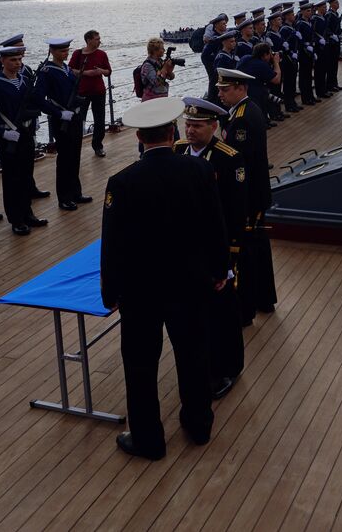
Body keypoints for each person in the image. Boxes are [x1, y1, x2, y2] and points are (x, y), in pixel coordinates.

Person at [102, 98, 227, 460]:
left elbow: (113, 246)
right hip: (190, 284)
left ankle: (148, 440)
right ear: (173, 132)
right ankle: (199, 424)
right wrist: (219, 271)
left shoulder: (121, 182)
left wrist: (110, 292)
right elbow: (214, 226)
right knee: (193, 354)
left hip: (141, 292)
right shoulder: (199, 171)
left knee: (141, 365)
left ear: (140, 137)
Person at [174, 98, 245, 399]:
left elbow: (235, 210)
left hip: (216, 251)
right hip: (187, 252)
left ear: (214, 127)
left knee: (221, 315)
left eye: (197, 126)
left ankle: (226, 367)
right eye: (187, 124)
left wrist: (229, 256)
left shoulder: (228, 159)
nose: (190, 131)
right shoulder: (177, 152)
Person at [216, 68, 277, 318]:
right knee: (259, 250)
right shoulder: (247, 109)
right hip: (257, 194)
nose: (220, 94)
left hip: (249, 197)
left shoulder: (241, 118)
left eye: (225, 89)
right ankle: (264, 299)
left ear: (241, 88)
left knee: (247, 252)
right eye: (219, 89)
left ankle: (248, 305)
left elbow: (238, 162)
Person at [0, 45, 49, 236]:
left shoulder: (24, 81)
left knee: (25, 176)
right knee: (12, 179)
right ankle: (16, 219)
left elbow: (36, 102)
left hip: (25, 134)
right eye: (13, 60)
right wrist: (0, 131)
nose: (17, 63)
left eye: (19, 60)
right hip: (8, 138)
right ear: (3, 61)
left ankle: (27, 213)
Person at [38, 38, 90, 212]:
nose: (65, 54)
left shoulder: (66, 68)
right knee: (65, 159)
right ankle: (64, 197)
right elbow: (40, 100)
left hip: (74, 117)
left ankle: (76, 192)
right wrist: (59, 113)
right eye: (61, 51)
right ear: (52, 51)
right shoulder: (47, 71)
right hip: (61, 119)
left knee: (75, 156)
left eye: (67, 50)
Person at [69, 30, 112, 157]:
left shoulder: (102, 54)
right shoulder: (78, 54)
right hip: (82, 92)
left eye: (99, 38)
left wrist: (101, 71)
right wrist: (85, 73)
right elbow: (70, 70)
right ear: (89, 40)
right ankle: (75, 146)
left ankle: (98, 146)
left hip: (99, 91)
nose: (100, 41)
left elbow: (108, 71)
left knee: (99, 120)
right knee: (78, 120)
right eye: (97, 39)